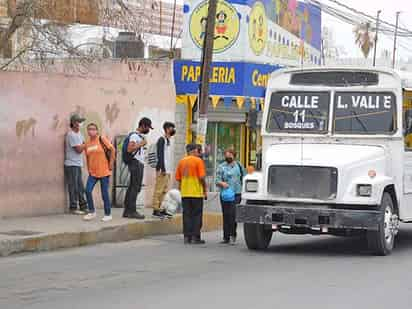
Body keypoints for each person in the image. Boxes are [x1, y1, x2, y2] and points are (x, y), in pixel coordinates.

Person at [83, 123, 116, 222]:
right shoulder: (87, 143)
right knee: (87, 190)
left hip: (104, 171)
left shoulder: (102, 139)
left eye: (93, 129)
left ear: (97, 131)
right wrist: (89, 168)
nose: (91, 131)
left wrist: (111, 164)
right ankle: (92, 212)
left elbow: (112, 149)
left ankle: (108, 214)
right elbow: (88, 157)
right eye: (89, 129)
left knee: (104, 193)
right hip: (93, 172)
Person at [175, 144, 208, 245]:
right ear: (193, 151)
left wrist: (181, 189)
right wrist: (205, 189)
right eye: (198, 151)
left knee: (187, 215)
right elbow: (202, 177)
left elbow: (178, 178)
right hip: (196, 193)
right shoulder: (198, 161)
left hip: (185, 193)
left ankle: (186, 237)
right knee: (197, 216)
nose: (199, 153)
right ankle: (195, 237)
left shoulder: (181, 161)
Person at [123, 117, 153, 219]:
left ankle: (127, 211)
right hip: (135, 163)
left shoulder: (138, 136)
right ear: (143, 125)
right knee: (135, 187)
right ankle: (132, 211)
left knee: (132, 186)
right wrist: (141, 144)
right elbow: (129, 149)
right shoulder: (135, 136)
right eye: (148, 127)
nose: (148, 129)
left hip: (137, 163)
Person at [216, 149, 246, 245]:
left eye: (229, 155)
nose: (227, 157)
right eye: (226, 155)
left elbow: (244, 177)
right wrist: (222, 183)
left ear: (234, 156)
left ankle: (233, 235)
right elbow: (217, 179)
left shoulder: (239, 166)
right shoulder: (221, 166)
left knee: (232, 214)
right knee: (226, 215)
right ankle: (226, 237)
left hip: (236, 193)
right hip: (225, 194)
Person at [64, 114, 88, 215]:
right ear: (73, 123)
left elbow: (84, 146)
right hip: (71, 164)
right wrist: (85, 145)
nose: (80, 124)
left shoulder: (80, 135)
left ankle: (83, 206)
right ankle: (73, 208)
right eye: (78, 122)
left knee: (80, 186)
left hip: (78, 164)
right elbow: (78, 149)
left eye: (81, 122)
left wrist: (84, 145)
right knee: (73, 186)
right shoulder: (71, 135)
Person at [152, 122, 176, 218]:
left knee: (164, 191)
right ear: (167, 129)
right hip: (163, 169)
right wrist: (162, 168)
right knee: (159, 190)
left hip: (168, 170)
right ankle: (155, 209)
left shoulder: (168, 140)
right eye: (171, 128)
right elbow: (160, 155)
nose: (173, 130)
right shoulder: (162, 140)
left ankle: (161, 208)